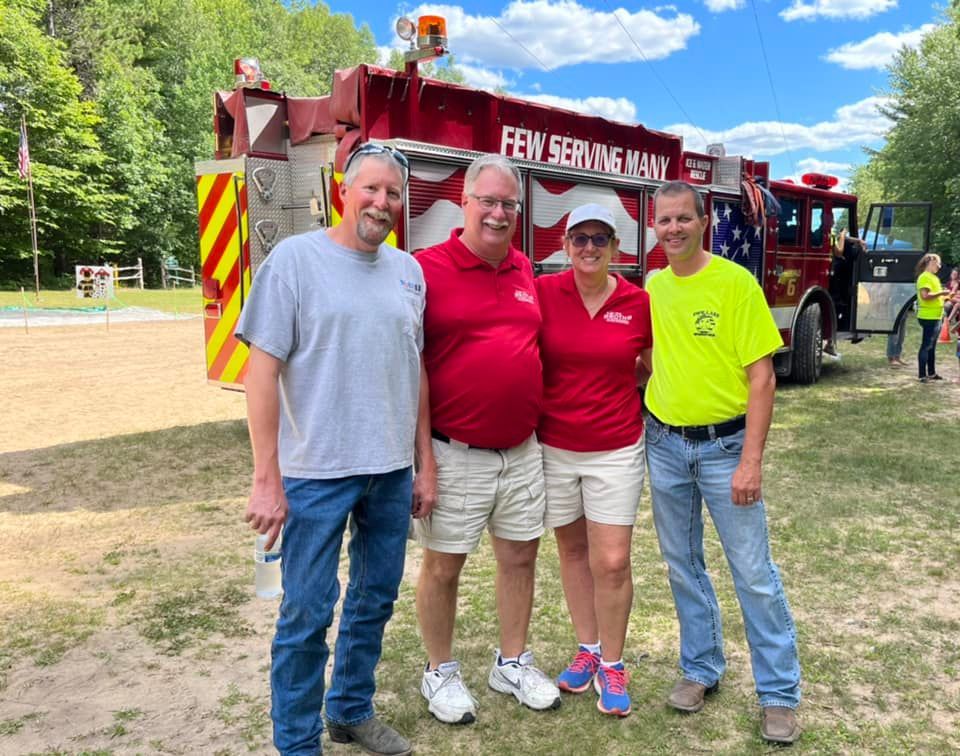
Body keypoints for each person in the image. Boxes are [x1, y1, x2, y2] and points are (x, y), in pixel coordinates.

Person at [237, 143, 424, 756]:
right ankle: (296, 743)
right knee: (308, 613)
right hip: (316, 472)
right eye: (371, 189)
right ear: (344, 189)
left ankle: (349, 709)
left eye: (393, 193)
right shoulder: (294, 262)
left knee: (374, 599)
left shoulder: (407, 272)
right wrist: (267, 478)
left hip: (391, 472)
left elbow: (415, 368)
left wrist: (423, 462)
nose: (382, 202)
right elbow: (260, 372)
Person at [644, 181, 801, 745]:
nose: (674, 229)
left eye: (684, 218)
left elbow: (763, 376)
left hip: (725, 448)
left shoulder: (736, 284)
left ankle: (779, 694)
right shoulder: (653, 285)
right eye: (664, 220)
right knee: (682, 564)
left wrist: (750, 462)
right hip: (663, 444)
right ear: (653, 226)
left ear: (704, 221)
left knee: (753, 575)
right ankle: (700, 668)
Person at [413, 153, 560, 725]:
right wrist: (423, 460)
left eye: (509, 204)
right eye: (489, 202)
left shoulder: (526, 271)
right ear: (465, 203)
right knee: (444, 567)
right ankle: (439, 670)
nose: (499, 214)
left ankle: (512, 662)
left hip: (522, 451)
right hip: (455, 452)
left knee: (521, 557)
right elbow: (412, 365)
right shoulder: (427, 269)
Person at [535, 204, 652, 717]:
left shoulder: (638, 301)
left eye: (599, 240)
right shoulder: (543, 294)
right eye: (579, 239)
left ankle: (613, 662)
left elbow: (651, 368)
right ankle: (587, 649)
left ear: (616, 250)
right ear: (565, 247)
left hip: (616, 448)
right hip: (555, 447)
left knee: (612, 560)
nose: (588, 248)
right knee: (574, 553)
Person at [915, 253, 950, 383]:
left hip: (936, 315)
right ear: (931, 262)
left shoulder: (933, 278)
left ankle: (931, 372)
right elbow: (925, 296)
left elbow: (934, 296)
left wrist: (945, 297)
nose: (939, 266)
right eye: (938, 263)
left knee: (932, 346)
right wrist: (942, 292)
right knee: (926, 345)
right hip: (928, 316)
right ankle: (922, 375)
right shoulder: (924, 277)